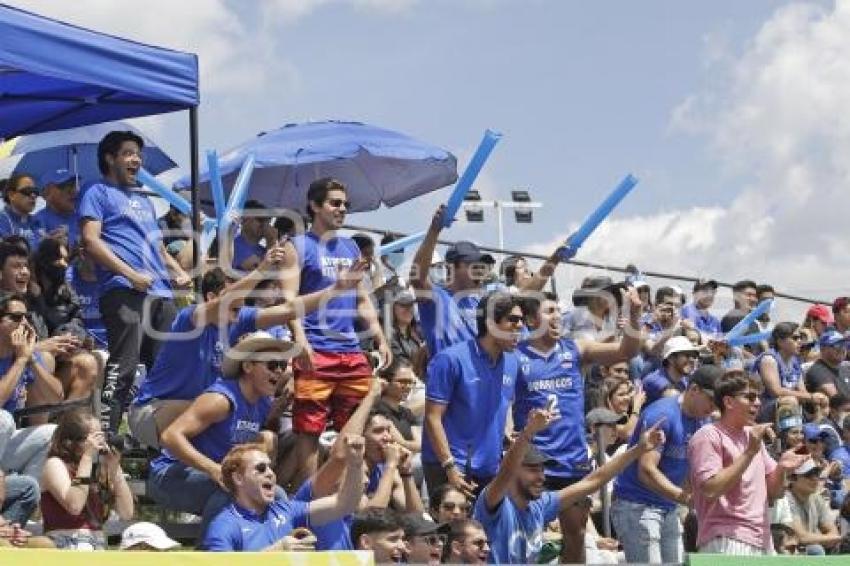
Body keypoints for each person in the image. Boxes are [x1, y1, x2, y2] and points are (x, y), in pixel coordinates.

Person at [130, 251, 366, 449]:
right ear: (211, 297)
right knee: (219, 409)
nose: (242, 301)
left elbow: (290, 309)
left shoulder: (239, 318)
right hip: (151, 413)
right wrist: (261, 271)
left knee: (262, 439)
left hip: (200, 413)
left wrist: (335, 289)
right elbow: (226, 301)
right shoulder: (190, 318)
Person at [513, 289, 643, 563]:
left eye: (559, 311)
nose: (558, 317)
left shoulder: (577, 349)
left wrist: (634, 315)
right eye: (549, 312)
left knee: (577, 534)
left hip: (572, 460)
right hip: (534, 461)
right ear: (531, 320)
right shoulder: (515, 356)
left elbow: (627, 350)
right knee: (528, 535)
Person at [280, 177, 391, 486]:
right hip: (315, 348)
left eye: (345, 204)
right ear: (315, 206)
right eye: (335, 203)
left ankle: (348, 495)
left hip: (351, 350)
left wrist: (379, 335)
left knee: (355, 427)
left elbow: (362, 297)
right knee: (310, 430)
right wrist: (299, 340)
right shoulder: (297, 246)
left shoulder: (351, 246)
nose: (342, 209)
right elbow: (288, 300)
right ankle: (311, 497)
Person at [78, 130, 190, 434]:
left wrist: (175, 271)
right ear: (109, 158)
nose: (136, 160)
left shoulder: (143, 200)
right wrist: (130, 275)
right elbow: (90, 241)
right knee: (123, 368)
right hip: (123, 291)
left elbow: (157, 247)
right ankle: (105, 441)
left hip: (161, 295)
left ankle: (158, 442)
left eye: (138, 154)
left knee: (167, 371)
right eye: (128, 153)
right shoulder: (96, 191)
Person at [472, 406, 665, 564]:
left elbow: (593, 481)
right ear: (514, 470)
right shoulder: (493, 503)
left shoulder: (541, 504)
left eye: (542, 469)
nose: (541, 476)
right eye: (532, 469)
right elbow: (506, 471)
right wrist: (529, 432)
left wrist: (638, 449)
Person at [147, 331, 290, 529]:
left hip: (216, 480)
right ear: (247, 366)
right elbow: (170, 436)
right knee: (234, 489)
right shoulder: (221, 400)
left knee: (277, 494)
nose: (279, 372)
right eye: (272, 365)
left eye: (282, 365)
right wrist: (214, 470)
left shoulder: (263, 403)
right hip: (168, 478)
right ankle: (213, 551)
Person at [688, 372, 808, 555]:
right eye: (750, 397)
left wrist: (783, 468)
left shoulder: (752, 437)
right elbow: (710, 489)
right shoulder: (708, 435)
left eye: (758, 397)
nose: (758, 403)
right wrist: (749, 452)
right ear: (728, 402)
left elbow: (773, 493)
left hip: (761, 538)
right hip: (726, 538)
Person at [611, 364, 721, 564]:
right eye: (712, 400)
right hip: (637, 504)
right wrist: (686, 498)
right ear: (694, 389)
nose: (714, 408)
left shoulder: (702, 422)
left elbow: (689, 469)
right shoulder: (662, 414)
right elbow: (646, 471)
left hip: (668, 507)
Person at [421, 291, 522, 498]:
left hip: (489, 469)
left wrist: (504, 437)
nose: (520, 326)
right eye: (512, 320)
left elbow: (497, 407)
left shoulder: (512, 362)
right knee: (450, 531)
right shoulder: (450, 359)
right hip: (450, 468)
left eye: (521, 320)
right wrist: (449, 466)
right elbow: (432, 417)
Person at [201, 439, 366, 551]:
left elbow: (345, 504)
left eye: (270, 467)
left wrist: (355, 464)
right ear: (238, 478)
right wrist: (275, 552)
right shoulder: (224, 526)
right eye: (260, 469)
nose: (270, 473)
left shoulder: (286, 510)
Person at [40, 409, 133, 550]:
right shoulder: (55, 464)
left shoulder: (95, 469)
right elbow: (74, 506)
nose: (100, 442)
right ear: (72, 440)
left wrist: (115, 468)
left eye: (102, 436)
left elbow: (127, 513)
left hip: (97, 544)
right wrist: (88, 456)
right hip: (65, 543)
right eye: (95, 437)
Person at [0, 293, 59, 479]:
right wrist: (21, 361)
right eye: (16, 318)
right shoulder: (20, 357)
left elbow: (55, 398)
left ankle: (27, 492)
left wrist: (31, 359)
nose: (24, 323)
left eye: (27, 317)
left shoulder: (24, 354)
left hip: (5, 441)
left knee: (53, 433)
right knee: (3, 419)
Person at [362, 410, 422, 512]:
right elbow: (371, 515)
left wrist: (406, 472)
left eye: (388, 430)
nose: (388, 438)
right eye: (378, 431)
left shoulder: (386, 470)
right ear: (361, 436)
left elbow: (416, 515)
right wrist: (391, 464)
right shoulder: (352, 470)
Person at [752, 322, 812, 422]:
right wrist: (810, 396)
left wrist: (813, 397)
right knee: (790, 401)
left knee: (822, 400)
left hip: (787, 404)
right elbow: (776, 392)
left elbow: (802, 391)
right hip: (763, 406)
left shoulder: (794, 360)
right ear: (780, 342)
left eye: (800, 337)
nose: (800, 341)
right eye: (795, 338)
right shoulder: (769, 360)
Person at [784, 459, 843, 555]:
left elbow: (833, 532)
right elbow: (802, 538)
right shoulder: (786, 499)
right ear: (793, 478)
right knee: (815, 550)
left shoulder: (815, 497)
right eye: (808, 475)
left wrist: (834, 539)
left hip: (809, 547)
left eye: (817, 473)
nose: (815, 478)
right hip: (791, 552)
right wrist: (834, 538)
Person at [641, 336, 699, 406]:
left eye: (693, 356)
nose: (692, 360)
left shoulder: (683, 380)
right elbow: (674, 398)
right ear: (671, 358)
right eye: (687, 355)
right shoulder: (655, 380)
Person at [34, 168, 80, 249]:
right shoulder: (38, 220)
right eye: (64, 187)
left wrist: (71, 240)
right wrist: (52, 243)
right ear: (47, 193)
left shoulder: (85, 218)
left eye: (74, 185)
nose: (73, 191)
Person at [231, 200, 276, 273]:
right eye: (261, 219)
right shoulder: (234, 245)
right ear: (246, 219)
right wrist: (271, 240)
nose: (265, 225)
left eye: (268, 220)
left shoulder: (264, 250)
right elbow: (263, 273)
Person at [0, 173, 42, 250]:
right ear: (11, 195)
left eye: (35, 191)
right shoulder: (2, 221)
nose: (33, 196)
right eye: (27, 191)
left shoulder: (37, 222)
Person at [805, 329, 850, 398]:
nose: (842, 348)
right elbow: (836, 399)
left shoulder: (845, 368)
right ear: (823, 349)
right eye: (837, 345)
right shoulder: (818, 371)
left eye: (844, 344)